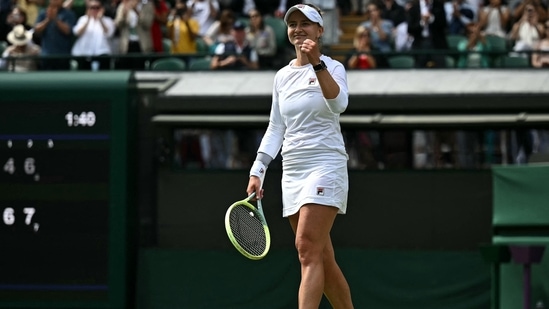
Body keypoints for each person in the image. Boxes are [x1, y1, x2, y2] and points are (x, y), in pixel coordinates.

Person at [245, 4, 354, 309]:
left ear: (320, 31)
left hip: (325, 165)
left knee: (306, 248)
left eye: (306, 23)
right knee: (320, 256)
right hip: (292, 171)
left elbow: (339, 104)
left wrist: (317, 64)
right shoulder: (281, 77)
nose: (298, 29)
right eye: (292, 24)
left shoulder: (333, 67)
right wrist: (258, 169)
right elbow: (276, 127)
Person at [71, 0, 115, 70]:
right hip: (84, 53)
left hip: (102, 53)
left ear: (102, 9)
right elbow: (77, 32)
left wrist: (100, 20)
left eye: (97, 7)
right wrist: (88, 20)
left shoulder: (108, 20)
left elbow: (109, 34)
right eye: (92, 8)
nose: (94, 10)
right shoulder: (83, 19)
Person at [34, 0, 77, 70]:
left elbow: (68, 31)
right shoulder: (43, 13)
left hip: (63, 56)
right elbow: (36, 30)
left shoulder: (69, 14)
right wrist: (48, 19)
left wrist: (55, 19)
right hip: (46, 55)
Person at [407, 0, 449, 68]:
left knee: (441, 67)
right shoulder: (414, 8)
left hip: (436, 43)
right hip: (420, 43)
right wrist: (422, 22)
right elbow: (410, 29)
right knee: (418, 68)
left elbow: (444, 24)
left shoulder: (439, 6)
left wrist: (431, 18)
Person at [114, 0, 155, 69]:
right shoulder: (123, 5)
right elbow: (118, 24)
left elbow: (147, 24)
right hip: (126, 44)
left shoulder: (148, 6)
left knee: (139, 67)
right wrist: (124, 14)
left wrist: (136, 11)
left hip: (141, 44)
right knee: (125, 67)